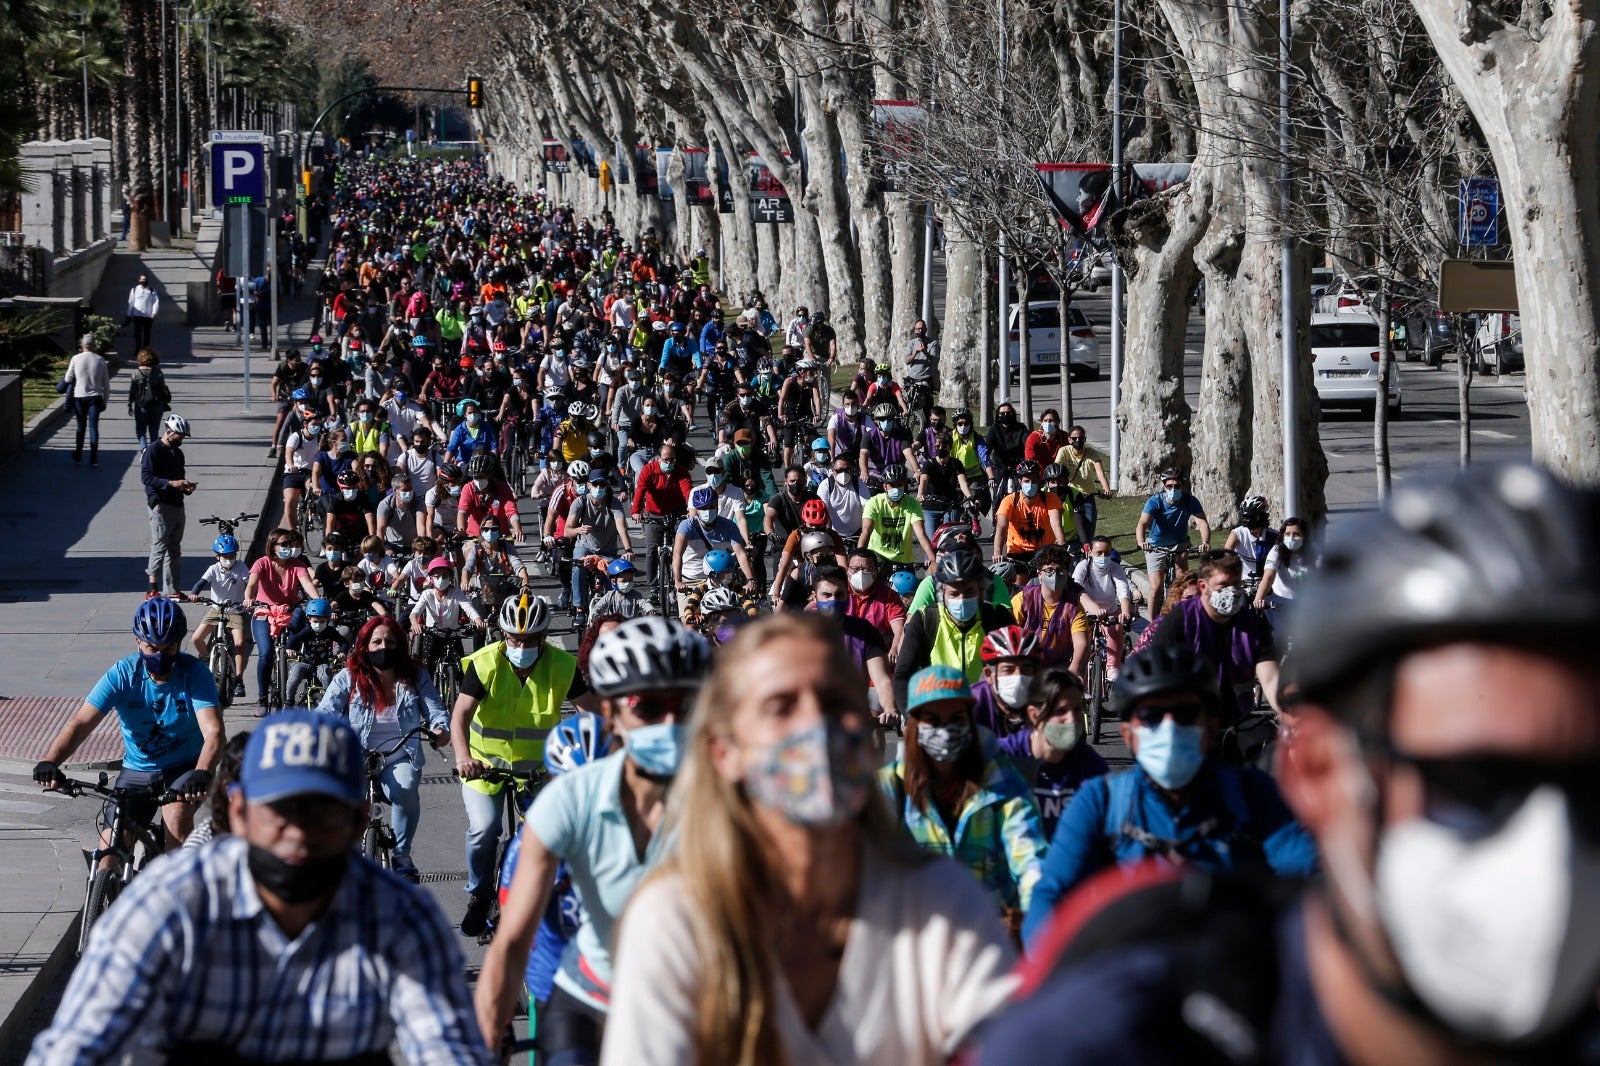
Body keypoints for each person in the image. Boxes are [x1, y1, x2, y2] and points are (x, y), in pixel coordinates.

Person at [981, 463, 1600, 1066]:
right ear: (1320, 773)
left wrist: (1279, 709)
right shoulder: (1109, 1035)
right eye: (1477, 780)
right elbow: (1054, 892)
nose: (1553, 845)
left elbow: (1270, 688)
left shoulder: (1247, 783)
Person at [601, 614, 1017, 1065]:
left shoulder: (940, 903)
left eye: (836, 703)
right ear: (725, 751)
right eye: (781, 707)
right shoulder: (674, 919)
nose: (817, 727)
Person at [27, 709, 491, 1065]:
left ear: (358, 822)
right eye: (280, 810)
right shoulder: (169, 905)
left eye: (321, 812)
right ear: (241, 812)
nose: (298, 833)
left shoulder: (400, 917)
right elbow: (75, 1047)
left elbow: (448, 1046)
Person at [475, 617, 711, 1061]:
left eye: (685, 706)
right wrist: (494, 1027)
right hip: (590, 999)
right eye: (649, 708)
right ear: (610, 714)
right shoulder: (569, 799)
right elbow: (512, 940)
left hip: (693, 998)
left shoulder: (734, 800)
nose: (670, 722)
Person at [1020, 643, 1316, 946]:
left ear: (1211, 729)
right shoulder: (1100, 802)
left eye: (1186, 714)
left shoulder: (1253, 794)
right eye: (1151, 716)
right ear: (1127, 735)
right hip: (1131, 974)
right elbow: (1052, 894)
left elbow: (1308, 874)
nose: (1170, 728)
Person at [33, 597, 223, 849]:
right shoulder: (123, 674)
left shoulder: (195, 673)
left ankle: (180, 885)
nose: (160, 656)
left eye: (168, 649)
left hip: (185, 768)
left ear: (179, 644)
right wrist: (50, 761)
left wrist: (202, 771)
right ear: (138, 642)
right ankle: (103, 886)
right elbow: (81, 724)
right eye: (152, 648)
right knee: (110, 845)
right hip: (138, 769)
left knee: (176, 817)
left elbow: (214, 733)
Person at [452, 594, 589, 936]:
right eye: (514, 638)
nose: (521, 645)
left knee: (551, 836)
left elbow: (593, 717)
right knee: (484, 830)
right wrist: (463, 758)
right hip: (484, 769)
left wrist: (581, 760)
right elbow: (460, 717)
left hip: (541, 773)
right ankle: (479, 895)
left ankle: (550, 899)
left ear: (543, 638)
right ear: (503, 635)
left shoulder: (562, 665)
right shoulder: (484, 664)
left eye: (529, 639)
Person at [880, 664, 1047, 934]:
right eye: (932, 720)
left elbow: (1030, 854)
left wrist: (1037, 919)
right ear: (913, 724)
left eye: (956, 719)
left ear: (970, 721)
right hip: (915, 938)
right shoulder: (890, 788)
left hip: (989, 936)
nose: (945, 730)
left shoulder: (1000, 780)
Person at [317, 615, 450, 881]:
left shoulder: (416, 677)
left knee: (407, 787)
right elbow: (325, 713)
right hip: (355, 756)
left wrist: (440, 731)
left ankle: (402, 854)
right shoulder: (348, 678)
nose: (383, 647)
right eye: (376, 641)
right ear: (364, 646)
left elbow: (436, 712)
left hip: (399, 755)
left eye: (390, 641)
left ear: (399, 645)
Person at [1147, 548, 1280, 722]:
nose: (1231, 592)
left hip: (1238, 721)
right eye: (1224, 585)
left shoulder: (1253, 624)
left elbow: (1270, 678)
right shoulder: (1179, 621)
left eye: (1236, 585)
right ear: (1203, 586)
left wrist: (1289, 711)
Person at [996, 669, 1109, 841]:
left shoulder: (1092, 766)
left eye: (1077, 709)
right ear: (1034, 715)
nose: (1071, 719)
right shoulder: (1004, 757)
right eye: (1061, 711)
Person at [893, 549, 1013, 710]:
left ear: (981, 592)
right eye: (954, 593)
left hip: (987, 713)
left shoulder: (997, 617)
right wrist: (912, 715)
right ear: (942, 594)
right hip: (939, 715)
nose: (961, 599)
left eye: (969, 591)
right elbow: (902, 676)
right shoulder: (924, 619)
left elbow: (1018, 668)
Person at [244, 527, 321, 712]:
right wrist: (249, 598)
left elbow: (307, 584)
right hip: (265, 611)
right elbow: (252, 584)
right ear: (273, 546)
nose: (289, 547)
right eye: (284, 544)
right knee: (266, 653)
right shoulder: (261, 563)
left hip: (289, 611)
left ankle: (292, 650)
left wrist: (318, 600)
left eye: (290, 544)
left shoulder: (297, 565)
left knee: (301, 615)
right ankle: (262, 698)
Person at [1135, 466, 1212, 615]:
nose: (1173, 489)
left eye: (1176, 486)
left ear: (1182, 486)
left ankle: (1183, 616)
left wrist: (1206, 542)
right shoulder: (1155, 501)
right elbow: (1142, 523)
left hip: (1179, 545)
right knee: (1156, 586)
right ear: (1164, 486)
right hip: (1155, 546)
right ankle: (1152, 625)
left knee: (1184, 584)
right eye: (1169, 486)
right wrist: (1141, 542)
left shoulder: (1190, 501)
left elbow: (1202, 522)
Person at [141, 412, 195, 597]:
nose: (182, 439)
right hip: (160, 505)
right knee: (159, 545)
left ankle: (172, 589)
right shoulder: (153, 450)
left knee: (175, 549)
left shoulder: (178, 453)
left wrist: (185, 486)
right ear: (169, 431)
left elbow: (179, 477)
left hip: (177, 503)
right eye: (180, 435)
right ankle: (152, 588)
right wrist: (171, 483)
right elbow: (146, 477)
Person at [1072, 536, 1134, 676]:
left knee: (1116, 629)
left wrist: (1125, 612)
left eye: (1107, 552)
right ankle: (1080, 672)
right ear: (1091, 552)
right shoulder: (1083, 566)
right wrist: (1094, 609)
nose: (1103, 556)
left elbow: (1123, 590)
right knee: (1081, 638)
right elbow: (1076, 588)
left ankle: (1112, 667)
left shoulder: (1115, 568)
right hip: (1086, 612)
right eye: (1099, 553)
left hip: (1110, 612)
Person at [859, 463, 934, 569]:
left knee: (909, 584)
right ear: (885, 486)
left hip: (904, 559)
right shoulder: (874, 503)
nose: (896, 488)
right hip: (879, 555)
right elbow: (866, 532)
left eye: (899, 485)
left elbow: (921, 534)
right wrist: (858, 558)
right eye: (892, 485)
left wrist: (932, 558)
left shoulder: (912, 504)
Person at [992, 459, 1066, 563]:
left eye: (1034, 481)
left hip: (1045, 552)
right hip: (1017, 552)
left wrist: (1062, 546)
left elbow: (1056, 524)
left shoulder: (1050, 498)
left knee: (1051, 577)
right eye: (1027, 481)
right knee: (1017, 578)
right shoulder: (1010, 501)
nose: (1031, 484)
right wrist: (997, 553)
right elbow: (1001, 528)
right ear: (1020, 481)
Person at [1252, 515, 1311, 643]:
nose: (1291, 538)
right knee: (1277, 640)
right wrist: (1259, 598)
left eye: (1296, 534)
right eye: (1288, 534)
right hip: (1279, 604)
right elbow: (1268, 576)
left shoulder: (1315, 552)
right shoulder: (1276, 551)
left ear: (1304, 536)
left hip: (1307, 605)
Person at [1053, 425, 1111, 540]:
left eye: (1081, 438)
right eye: (1074, 439)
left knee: (1089, 530)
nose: (1077, 441)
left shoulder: (1091, 453)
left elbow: (1100, 474)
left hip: (1087, 496)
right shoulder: (1064, 451)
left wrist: (1106, 489)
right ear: (1069, 440)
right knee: (1067, 527)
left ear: (1085, 439)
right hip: (1070, 497)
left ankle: (1087, 550)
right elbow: (1057, 470)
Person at [128, 348, 173, 449]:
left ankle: (144, 449)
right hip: (157, 405)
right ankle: (153, 452)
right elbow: (162, 388)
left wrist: (130, 403)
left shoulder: (136, 373)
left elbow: (133, 390)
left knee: (141, 429)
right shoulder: (157, 372)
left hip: (141, 405)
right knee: (154, 430)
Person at [125, 272, 159, 349]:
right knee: (137, 334)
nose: (144, 281)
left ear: (148, 280)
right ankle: (137, 350)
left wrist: (154, 313)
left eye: (145, 279)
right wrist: (128, 314)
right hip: (137, 316)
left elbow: (155, 302)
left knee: (147, 334)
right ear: (139, 280)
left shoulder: (152, 290)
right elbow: (131, 302)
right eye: (142, 279)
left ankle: (146, 350)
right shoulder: (134, 290)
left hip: (148, 316)